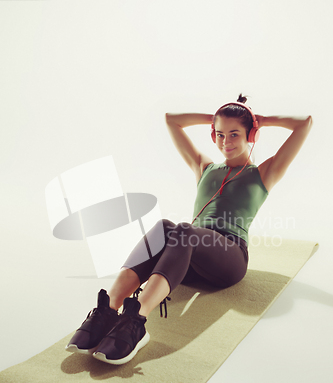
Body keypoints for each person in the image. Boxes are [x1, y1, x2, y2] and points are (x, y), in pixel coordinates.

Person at [66, 94, 313, 365]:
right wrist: (216, 117)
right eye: (219, 134)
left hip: (229, 259)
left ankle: (136, 321)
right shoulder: (204, 167)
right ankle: (108, 309)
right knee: (164, 227)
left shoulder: (263, 174)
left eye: (234, 134)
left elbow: (305, 124)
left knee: (183, 229)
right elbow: (172, 121)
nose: (225, 142)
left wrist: (260, 121)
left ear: (250, 135)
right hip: (186, 262)